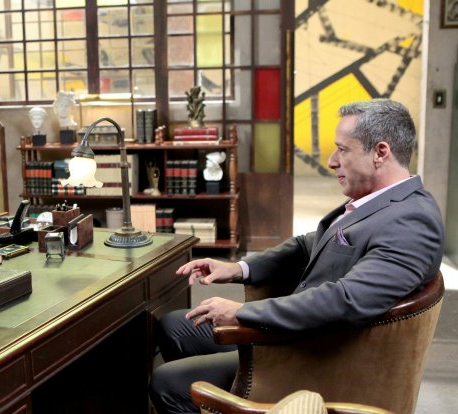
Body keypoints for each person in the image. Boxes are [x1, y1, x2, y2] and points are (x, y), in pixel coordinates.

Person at [149, 99, 445, 414]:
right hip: (303, 330)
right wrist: (238, 269)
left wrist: (242, 313)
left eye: (342, 150)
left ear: (380, 153)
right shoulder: (380, 203)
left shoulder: (412, 222)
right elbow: (307, 246)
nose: (332, 161)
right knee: (173, 327)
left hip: (316, 356)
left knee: (168, 382)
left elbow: (344, 300)